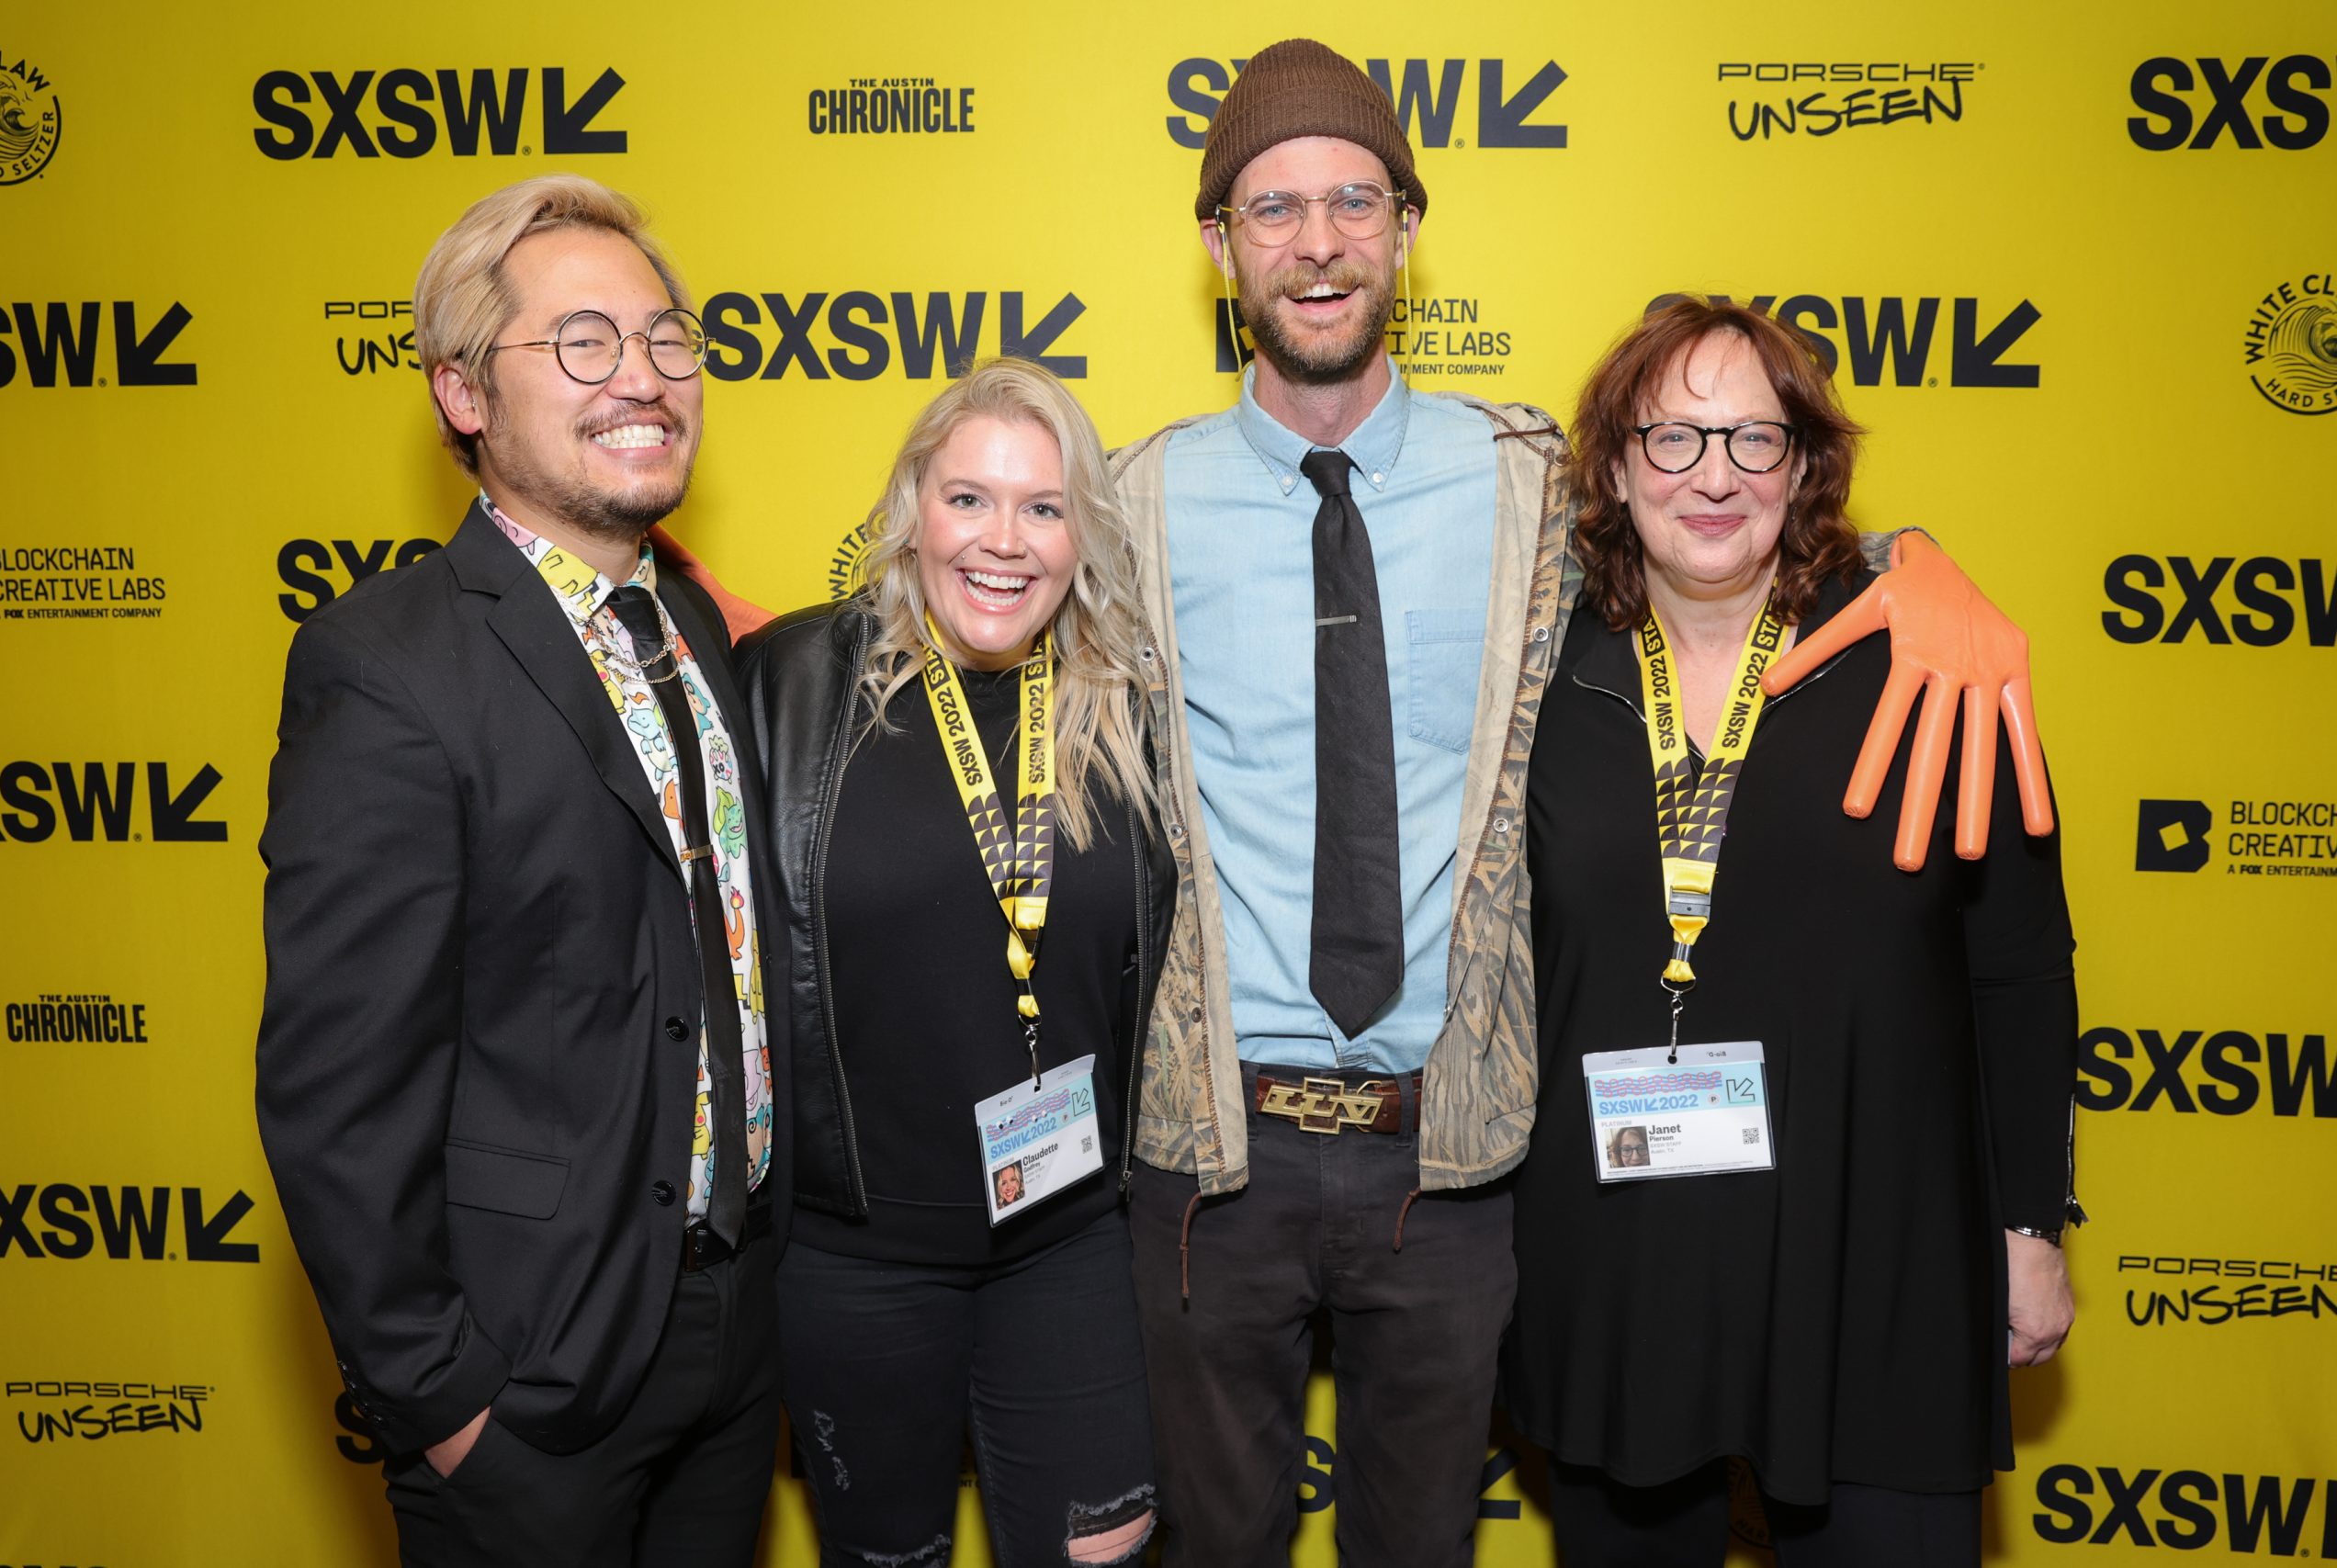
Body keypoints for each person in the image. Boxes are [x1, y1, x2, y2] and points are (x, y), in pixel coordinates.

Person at [1102, 38, 2059, 1568]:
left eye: (1355, 199)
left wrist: (1917, 562)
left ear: (1408, 229)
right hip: (1220, 1153)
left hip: (1457, 1165)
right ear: (1218, 246)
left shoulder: (1532, 482)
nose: (1319, 241)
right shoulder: (1127, 504)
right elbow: (971, 599)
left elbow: (1737, 513)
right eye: (1273, 209)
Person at [255, 175, 788, 1568]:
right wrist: (444, 1403)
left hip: (733, 1344)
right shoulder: (389, 667)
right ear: (464, 394)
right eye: (584, 343)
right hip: (532, 1387)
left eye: (669, 340)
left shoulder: (696, 630)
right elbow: (337, 1086)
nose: (647, 379)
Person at [1502, 298, 2081, 1565]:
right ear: (1611, 466)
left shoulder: (1929, 666)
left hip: (1878, 1251)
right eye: (1673, 439)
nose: (1714, 476)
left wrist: (2030, 1228)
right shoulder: (1537, 681)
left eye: (1754, 441)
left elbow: (2021, 968)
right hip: (1624, 1255)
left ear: (1806, 467)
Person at [735, 359, 1173, 1568]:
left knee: (1108, 1551)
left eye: (1044, 507)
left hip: (1070, 1237)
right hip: (854, 1260)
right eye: (969, 498)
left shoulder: (1126, 708)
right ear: (910, 512)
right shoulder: (787, 685)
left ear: (1081, 534)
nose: (1005, 540)